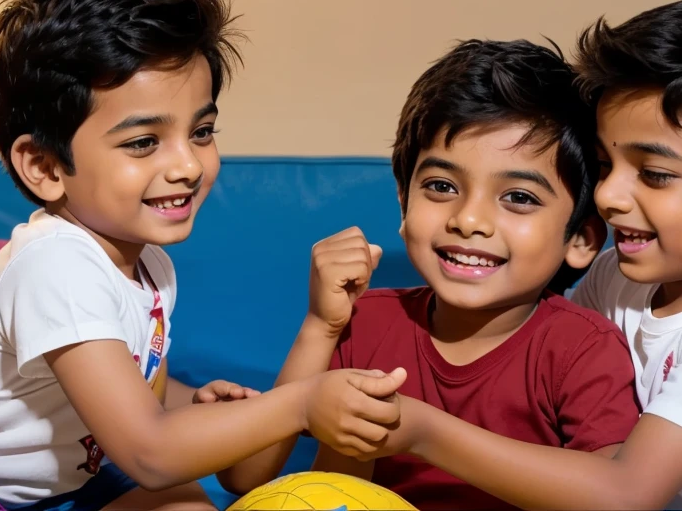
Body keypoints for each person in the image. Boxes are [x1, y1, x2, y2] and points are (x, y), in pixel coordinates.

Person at [312, 0, 682, 510]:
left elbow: (626, 493)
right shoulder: (622, 274)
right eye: (607, 166)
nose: (609, 197)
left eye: (655, 174)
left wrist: (421, 430)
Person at [0, 0, 406, 510]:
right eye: (143, 142)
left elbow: (163, 417)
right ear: (45, 167)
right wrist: (300, 407)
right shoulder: (54, 264)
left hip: (69, 473)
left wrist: (196, 410)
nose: (188, 166)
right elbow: (151, 454)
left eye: (201, 131)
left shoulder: (149, 265)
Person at [218, 38, 642, 510]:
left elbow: (612, 496)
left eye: (519, 197)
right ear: (403, 203)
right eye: (441, 186)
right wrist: (322, 325)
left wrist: (424, 434)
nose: (469, 219)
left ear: (581, 239)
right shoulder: (366, 321)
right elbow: (245, 478)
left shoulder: (580, 347)